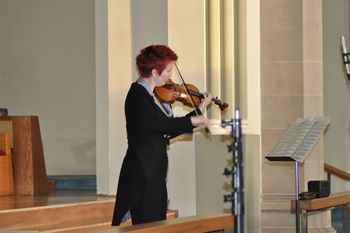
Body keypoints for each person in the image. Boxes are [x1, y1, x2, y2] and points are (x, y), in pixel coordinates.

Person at [111, 44, 212, 226]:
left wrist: (200, 109)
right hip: (142, 174)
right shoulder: (137, 96)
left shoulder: (153, 97)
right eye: (168, 71)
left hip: (154, 173)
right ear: (155, 72)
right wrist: (192, 122)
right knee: (146, 227)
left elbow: (167, 131)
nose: (170, 76)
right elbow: (160, 125)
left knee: (157, 226)